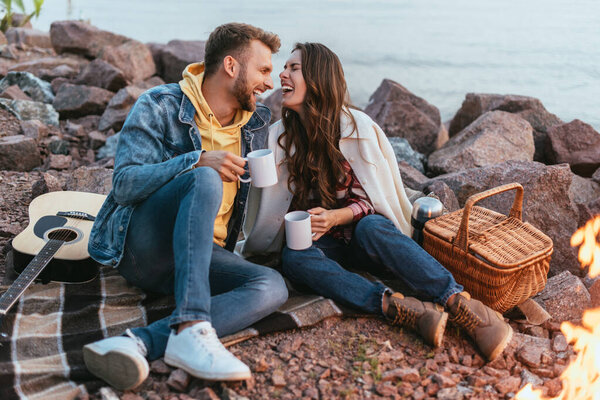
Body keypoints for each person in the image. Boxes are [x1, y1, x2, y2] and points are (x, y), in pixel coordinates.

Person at [239, 42, 512, 361]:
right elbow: (269, 204)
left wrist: (336, 216)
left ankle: (462, 305)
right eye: (284, 68)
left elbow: (374, 201)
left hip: (362, 240)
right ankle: (399, 308)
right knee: (295, 258)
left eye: (293, 68)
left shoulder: (358, 129)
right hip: (323, 246)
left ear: (318, 77)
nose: (281, 75)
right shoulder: (278, 137)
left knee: (371, 226)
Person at [82, 23, 289, 390]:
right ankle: (193, 327)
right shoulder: (159, 105)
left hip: (202, 256)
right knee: (204, 177)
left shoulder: (256, 123)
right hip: (145, 252)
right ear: (230, 65)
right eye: (263, 70)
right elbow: (124, 184)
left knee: (271, 286)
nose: (269, 82)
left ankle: (141, 342)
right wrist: (195, 161)